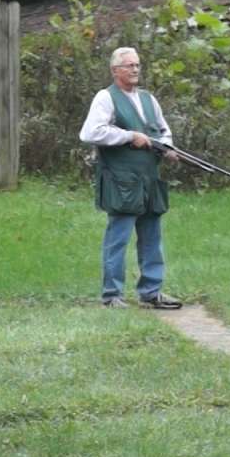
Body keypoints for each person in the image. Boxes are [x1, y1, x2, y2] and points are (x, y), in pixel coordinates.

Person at [79, 47, 183, 309]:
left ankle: (152, 292)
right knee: (118, 239)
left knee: (152, 237)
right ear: (115, 71)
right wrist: (128, 136)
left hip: (150, 180)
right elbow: (91, 133)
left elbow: (163, 131)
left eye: (137, 65)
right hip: (121, 182)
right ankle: (112, 294)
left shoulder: (149, 99)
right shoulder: (106, 98)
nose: (135, 69)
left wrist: (167, 148)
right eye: (129, 65)